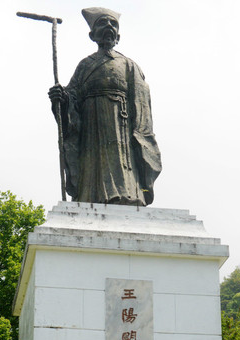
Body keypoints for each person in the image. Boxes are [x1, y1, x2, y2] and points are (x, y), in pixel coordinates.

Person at [48, 6, 162, 206]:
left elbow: (141, 103)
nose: (109, 27)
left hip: (121, 125)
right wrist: (61, 98)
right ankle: (89, 195)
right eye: (102, 23)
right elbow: (71, 97)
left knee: (121, 161)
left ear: (118, 36)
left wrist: (140, 136)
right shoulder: (84, 66)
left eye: (113, 24)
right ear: (92, 35)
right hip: (92, 127)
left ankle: (128, 193)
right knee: (93, 164)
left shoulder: (129, 65)